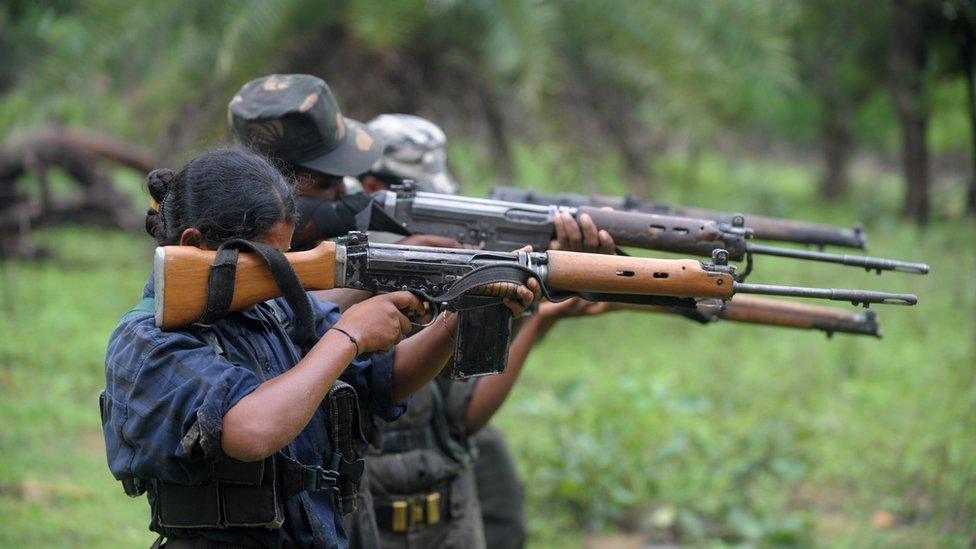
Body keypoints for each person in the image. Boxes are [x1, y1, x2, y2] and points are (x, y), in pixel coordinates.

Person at [100, 147, 538, 547]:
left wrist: (458, 312)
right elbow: (249, 432)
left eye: (288, 258)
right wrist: (347, 337)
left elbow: (386, 380)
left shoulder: (266, 311)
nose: (284, 276)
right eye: (268, 260)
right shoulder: (146, 343)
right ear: (195, 246)